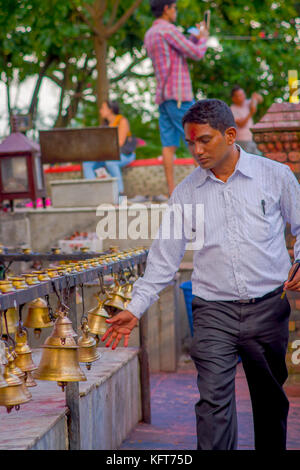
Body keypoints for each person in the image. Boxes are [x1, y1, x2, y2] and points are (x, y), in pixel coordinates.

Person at [101, 99, 300, 450]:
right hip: (212, 313)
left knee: (270, 402)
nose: (196, 150)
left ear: (230, 134)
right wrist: (135, 307)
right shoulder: (186, 193)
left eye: (204, 140)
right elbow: (164, 258)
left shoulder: (275, 176)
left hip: (269, 308)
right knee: (212, 405)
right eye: (190, 143)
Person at [144, 0, 208, 197]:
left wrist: (192, 38)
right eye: (175, 8)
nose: (176, 12)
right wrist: (203, 37)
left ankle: (172, 192)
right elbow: (196, 53)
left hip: (162, 96)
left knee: (168, 146)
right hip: (179, 95)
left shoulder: (149, 34)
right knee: (197, 138)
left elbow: (176, 50)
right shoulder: (168, 30)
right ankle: (208, 185)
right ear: (166, 8)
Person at [82, 101, 136, 195]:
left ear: (110, 110)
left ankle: (120, 194)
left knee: (110, 162)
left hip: (125, 154)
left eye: (103, 108)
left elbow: (120, 143)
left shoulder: (122, 121)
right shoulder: (104, 125)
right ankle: (93, 193)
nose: (100, 111)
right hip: (108, 155)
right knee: (87, 163)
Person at [230, 85, 263, 154]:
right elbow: (241, 124)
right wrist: (251, 113)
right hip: (241, 140)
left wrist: (254, 98)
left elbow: (260, 99)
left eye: (243, 94)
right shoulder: (232, 109)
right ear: (233, 98)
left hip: (250, 139)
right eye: (239, 95)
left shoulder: (247, 103)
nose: (242, 97)